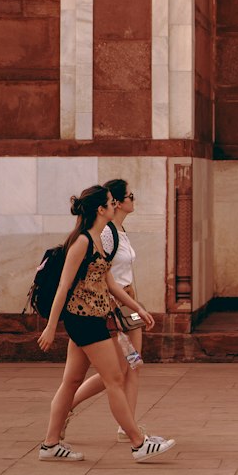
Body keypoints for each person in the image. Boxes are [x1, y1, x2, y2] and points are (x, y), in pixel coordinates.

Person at [36, 184, 176, 464]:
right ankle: (138, 443)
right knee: (114, 379)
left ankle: (50, 444)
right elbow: (63, 287)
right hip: (85, 321)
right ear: (101, 209)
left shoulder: (98, 239)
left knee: (72, 381)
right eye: (112, 202)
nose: (115, 205)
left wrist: (139, 309)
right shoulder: (83, 242)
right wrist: (51, 326)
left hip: (92, 318)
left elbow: (110, 283)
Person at [61, 177, 144, 440]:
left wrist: (137, 305)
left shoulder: (121, 232)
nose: (134, 200)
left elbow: (124, 272)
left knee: (133, 365)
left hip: (128, 306)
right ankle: (67, 406)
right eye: (130, 196)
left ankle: (127, 426)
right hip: (110, 309)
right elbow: (98, 275)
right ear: (116, 203)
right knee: (115, 371)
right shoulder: (106, 234)